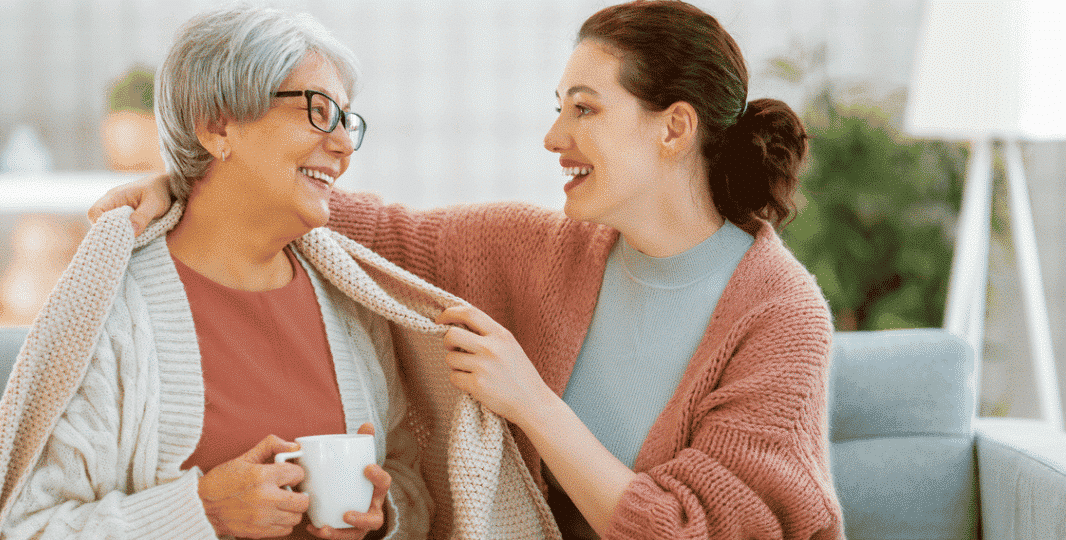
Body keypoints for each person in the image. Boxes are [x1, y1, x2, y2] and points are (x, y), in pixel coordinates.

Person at [90, 1, 844, 538]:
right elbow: (367, 229)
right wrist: (185, 183)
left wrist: (533, 404)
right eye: (559, 108)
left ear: (674, 128)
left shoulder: (781, 316)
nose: (554, 136)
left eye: (584, 109)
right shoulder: (536, 252)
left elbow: (695, 531)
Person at [0, 6, 436, 540]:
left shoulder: (353, 304)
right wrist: (202, 512)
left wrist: (384, 513)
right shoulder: (116, 313)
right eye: (320, 111)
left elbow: (408, 482)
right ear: (217, 125)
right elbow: (26, 530)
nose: (345, 144)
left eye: (348, 121)